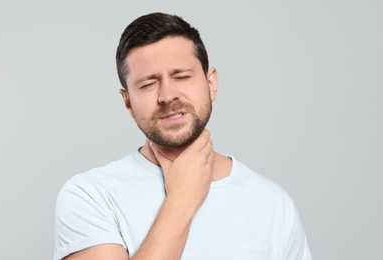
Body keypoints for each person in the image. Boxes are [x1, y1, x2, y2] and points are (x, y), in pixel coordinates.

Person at [54, 12, 313, 260]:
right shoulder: (90, 196)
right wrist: (182, 197)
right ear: (128, 102)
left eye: (182, 76)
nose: (167, 95)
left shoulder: (273, 204)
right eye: (147, 84)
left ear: (211, 84)